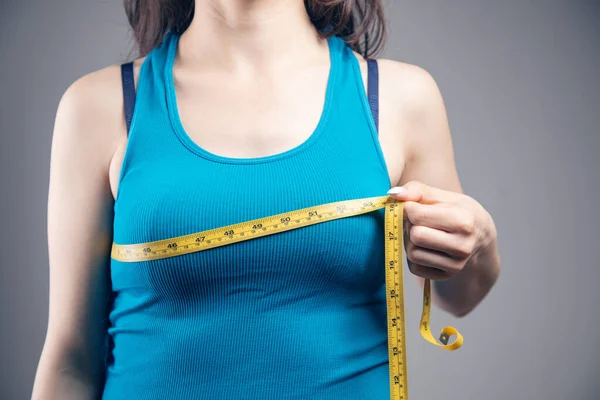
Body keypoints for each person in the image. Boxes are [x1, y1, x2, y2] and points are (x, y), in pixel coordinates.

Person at [32, 0, 501, 399]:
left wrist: (478, 241)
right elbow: (72, 356)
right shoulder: (98, 106)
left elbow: (456, 298)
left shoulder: (399, 97)